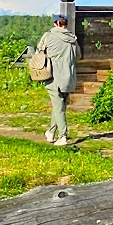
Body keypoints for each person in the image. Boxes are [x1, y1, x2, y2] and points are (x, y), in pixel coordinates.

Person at [31, 15, 79, 146]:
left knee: (59, 107)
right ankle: (50, 132)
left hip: (52, 76)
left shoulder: (48, 36)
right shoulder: (73, 39)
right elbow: (78, 56)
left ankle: (63, 136)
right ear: (66, 24)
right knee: (60, 106)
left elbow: (38, 54)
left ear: (55, 23)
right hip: (69, 76)